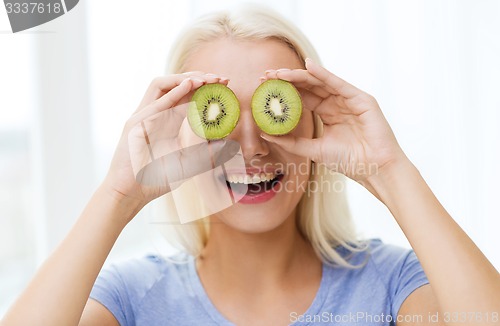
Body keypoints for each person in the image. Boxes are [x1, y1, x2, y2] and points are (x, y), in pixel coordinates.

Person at [2, 6, 499, 326]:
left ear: (315, 124)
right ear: (178, 134)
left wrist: (390, 170)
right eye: (218, 115)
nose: (251, 146)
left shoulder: (392, 285)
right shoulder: (131, 298)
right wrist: (116, 197)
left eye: (272, 109)